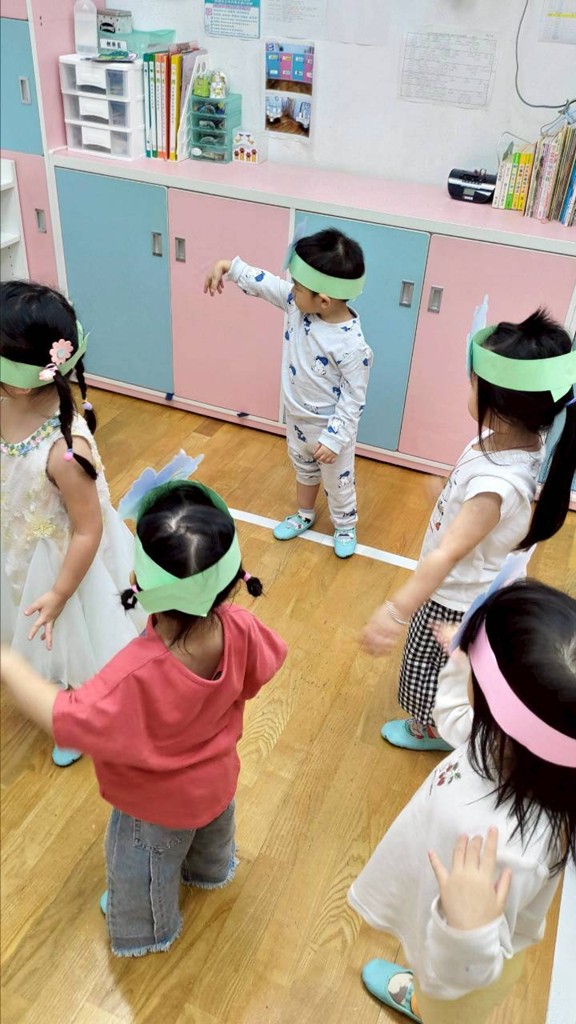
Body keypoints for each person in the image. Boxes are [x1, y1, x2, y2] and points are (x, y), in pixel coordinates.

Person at [0, 474, 287, 958]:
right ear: (233, 578)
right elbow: (261, 673)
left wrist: (9, 663)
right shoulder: (242, 626)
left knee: (142, 871)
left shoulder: (133, 673)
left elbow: (66, 718)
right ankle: (210, 873)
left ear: (138, 582)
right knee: (212, 832)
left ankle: (151, 930)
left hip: (155, 808)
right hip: (217, 779)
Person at [349, 578, 576, 1024]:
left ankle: (421, 1005)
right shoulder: (508, 747)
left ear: (499, 710)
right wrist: (458, 664)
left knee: (441, 1005)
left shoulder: (512, 852)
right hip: (451, 920)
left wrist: (468, 935)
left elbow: (468, 973)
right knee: (432, 964)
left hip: (463, 981)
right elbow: (455, 718)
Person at [362, 308, 576, 750]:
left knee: (429, 674)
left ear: (499, 405)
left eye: (473, 382)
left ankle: (436, 729)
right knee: (446, 668)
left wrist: (395, 610)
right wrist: (448, 495)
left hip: (453, 599)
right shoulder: (514, 441)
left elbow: (447, 555)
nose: (469, 387)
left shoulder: (496, 486)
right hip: (469, 585)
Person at [0, 280, 143, 766]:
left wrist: (61, 592)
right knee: (25, 622)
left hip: (66, 563)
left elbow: (87, 530)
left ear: (22, 379)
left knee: (70, 638)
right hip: (18, 542)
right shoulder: (8, 404)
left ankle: (73, 711)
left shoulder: (64, 451)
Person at [204, 228, 372, 559]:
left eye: (297, 286)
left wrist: (334, 439)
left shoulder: (352, 346)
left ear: (324, 300)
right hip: (297, 418)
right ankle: (305, 514)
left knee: (338, 482)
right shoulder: (300, 304)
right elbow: (268, 284)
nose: (291, 290)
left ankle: (345, 525)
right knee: (304, 470)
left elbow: (354, 399)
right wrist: (229, 267)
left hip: (329, 429)